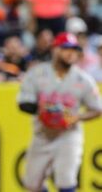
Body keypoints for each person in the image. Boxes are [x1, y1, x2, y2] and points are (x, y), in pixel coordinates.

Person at [17, 32, 102, 192]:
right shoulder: (37, 73)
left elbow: (97, 109)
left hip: (68, 135)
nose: (70, 53)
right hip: (42, 134)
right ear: (55, 49)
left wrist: (77, 117)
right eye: (66, 48)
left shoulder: (83, 80)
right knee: (31, 184)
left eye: (74, 49)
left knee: (66, 180)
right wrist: (43, 109)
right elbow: (23, 102)